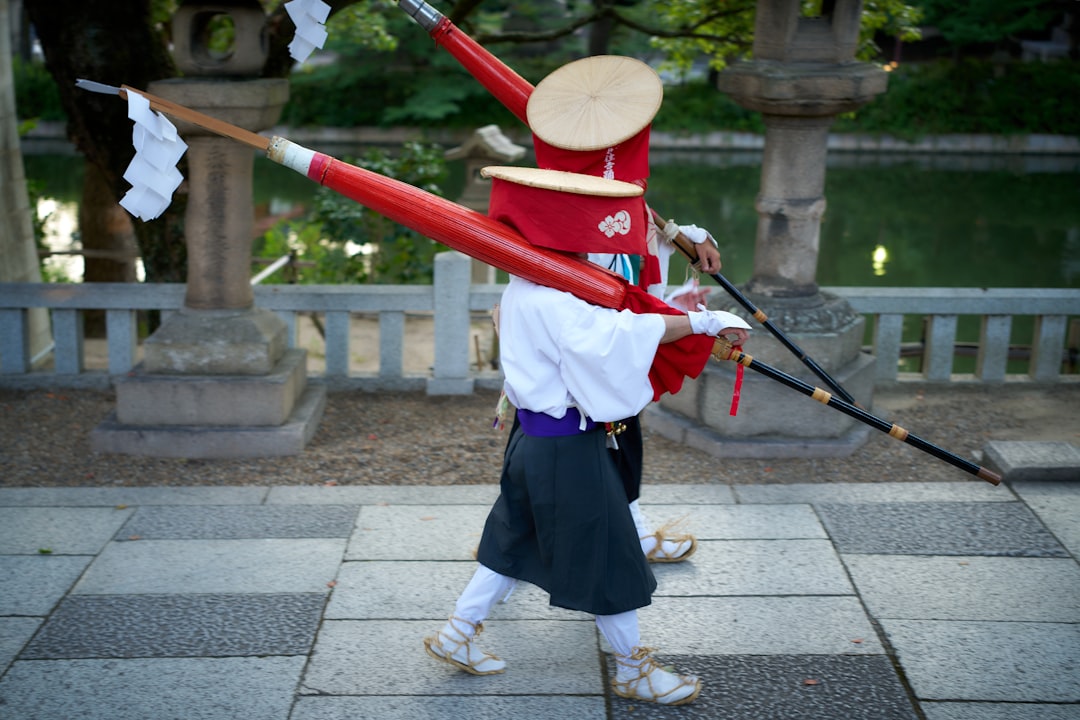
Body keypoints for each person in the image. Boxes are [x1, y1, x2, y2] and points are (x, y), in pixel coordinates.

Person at [424, 165, 750, 706]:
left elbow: (617, 327)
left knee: (510, 540)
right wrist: (701, 323)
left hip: (533, 444)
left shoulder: (526, 285)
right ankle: (633, 670)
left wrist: (686, 315)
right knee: (609, 555)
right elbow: (623, 335)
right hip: (567, 449)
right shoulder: (555, 298)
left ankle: (458, 633)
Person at [526, 55, 737, 562]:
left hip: (604, 339)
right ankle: (616, 537)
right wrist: (688, 320)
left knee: (600, 438)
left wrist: (689, 237)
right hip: (579, 342)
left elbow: (636, 225)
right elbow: (607, 254)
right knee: (584, 439)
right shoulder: (560, 203)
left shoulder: (617, 198)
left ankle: (537, 538)